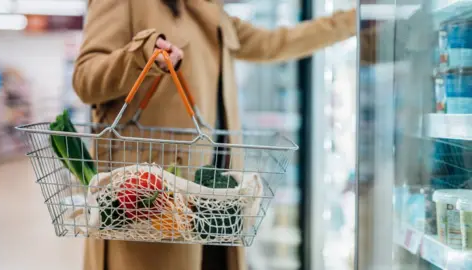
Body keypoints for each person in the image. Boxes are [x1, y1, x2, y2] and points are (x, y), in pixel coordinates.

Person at [73, 1, 362, 270]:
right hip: (150, 206)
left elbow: (273, 44)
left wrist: (354, 20)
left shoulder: (208, 9)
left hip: (215, 205)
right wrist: (142, 54)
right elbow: (86, 79)